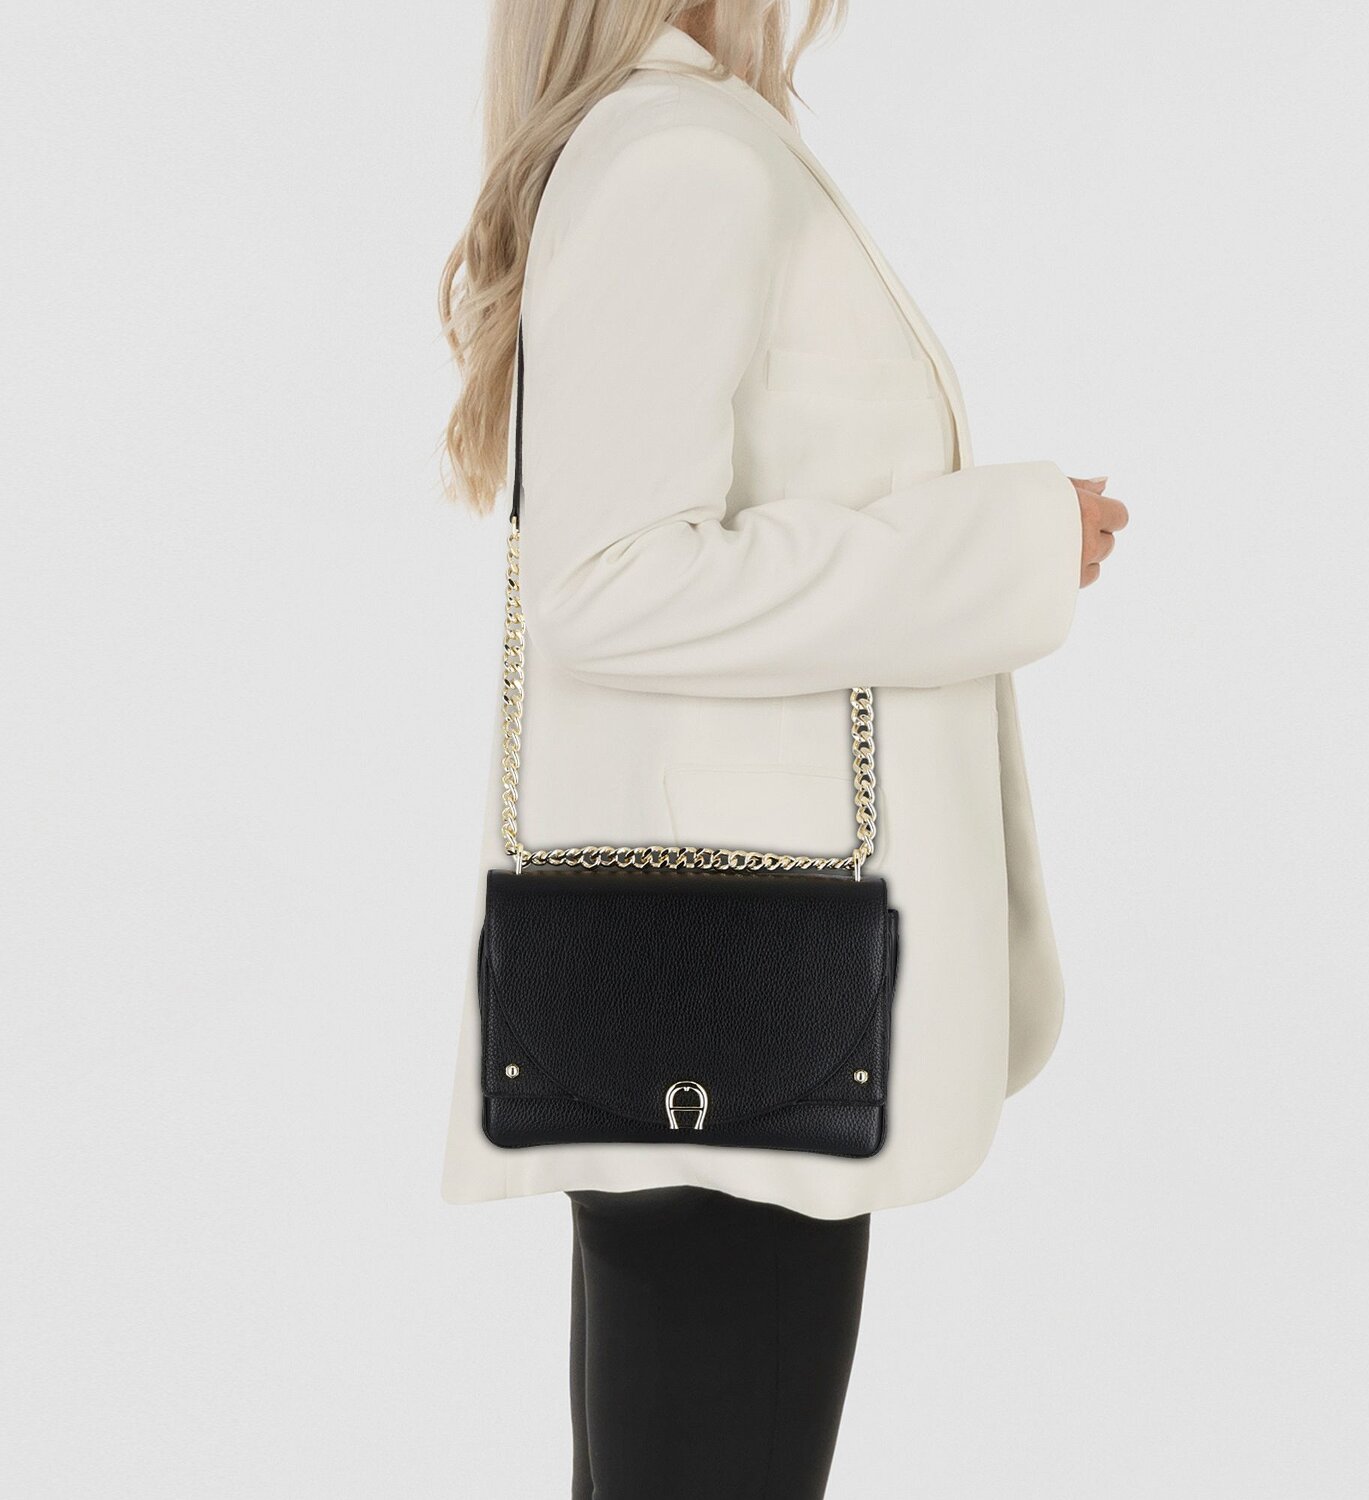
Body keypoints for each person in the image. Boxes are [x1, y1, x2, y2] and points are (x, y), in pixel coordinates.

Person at [438, 5, 1128, 1496]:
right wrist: (1005, 544)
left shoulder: (673, 140)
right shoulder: (680, 159)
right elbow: (604, 582)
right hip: (748, 994)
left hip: (708, 979)